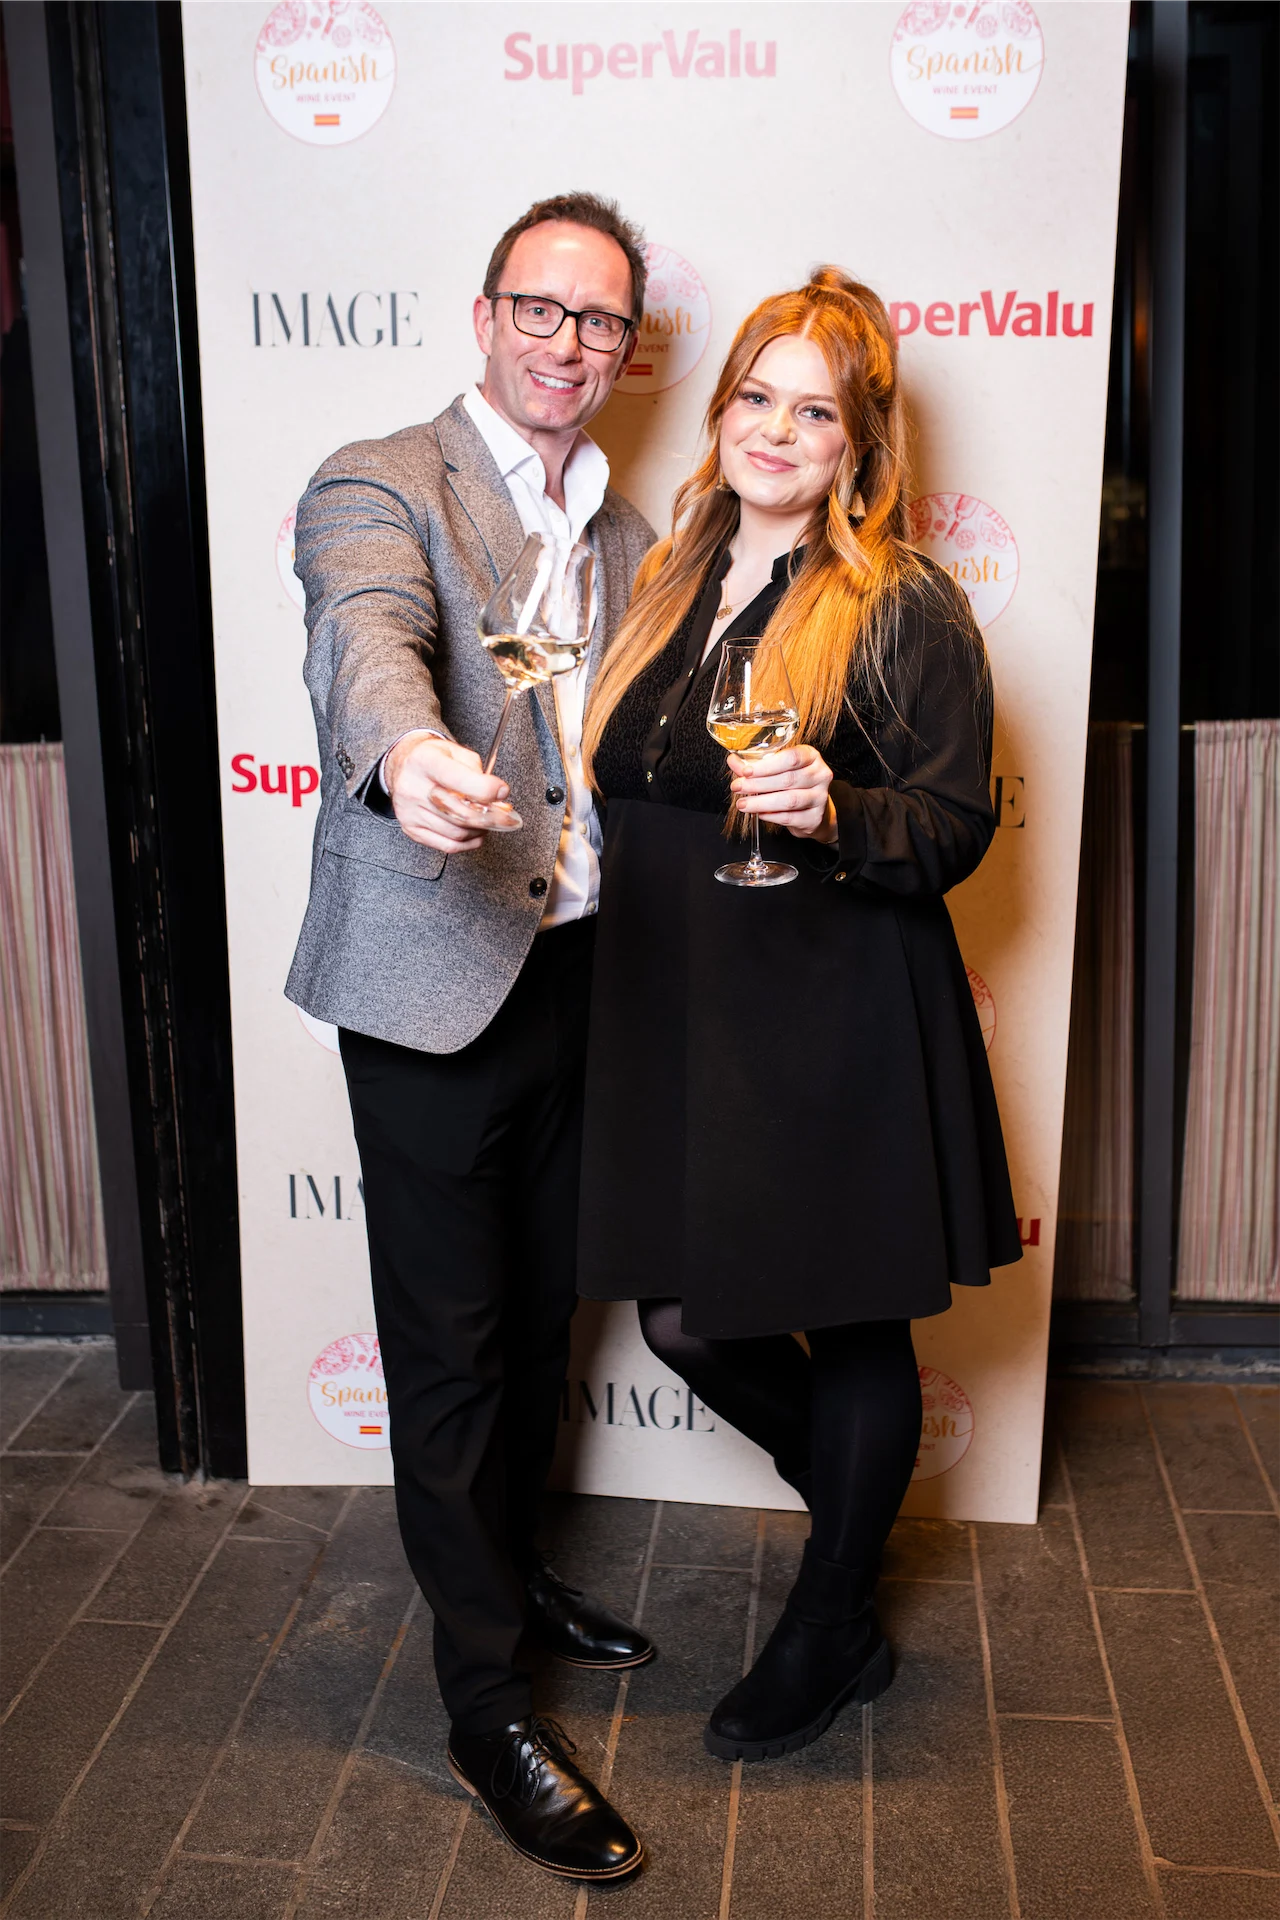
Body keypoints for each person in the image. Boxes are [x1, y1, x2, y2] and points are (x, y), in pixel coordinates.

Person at [578, 268, 1022, 1764]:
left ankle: (830, 1624)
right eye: (756, 397)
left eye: (814, 412)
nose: (775, 430)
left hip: (831, 1015)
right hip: (680, 1014)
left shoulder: (900, 602)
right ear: (720, 413)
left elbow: (955, 823)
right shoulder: (663, 577)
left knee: (850, 1317)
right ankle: (856, 1529)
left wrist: (835, 811)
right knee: (685, 1317)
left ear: (857, 448)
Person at [287, 192, 658, 1882]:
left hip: (580, 974)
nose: (569, 343)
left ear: (626, 347)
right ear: (489, 313)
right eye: (543, 308)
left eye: (602, 320)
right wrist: (410, 755)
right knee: (447, 1351)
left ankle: (509, 1575)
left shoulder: (629, 527)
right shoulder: (383, 478)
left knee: (537, 1313)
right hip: (432, 980)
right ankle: (483, 1703)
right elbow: (366, 633)